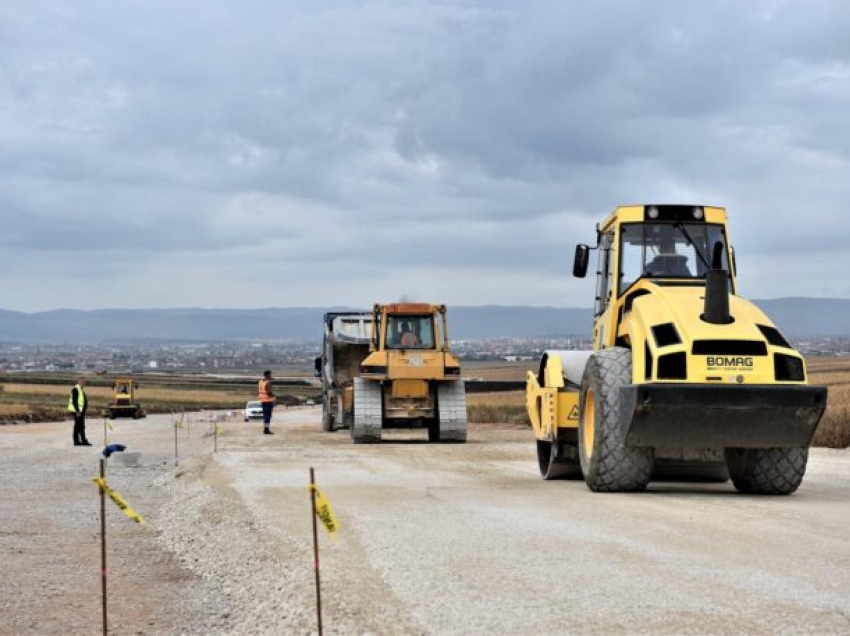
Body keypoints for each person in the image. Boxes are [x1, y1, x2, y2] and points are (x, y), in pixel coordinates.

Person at [67, 377, 91, 446]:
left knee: (81, 426)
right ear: (78, 381)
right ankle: (78, 441)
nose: (83, 383)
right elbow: (74, 401)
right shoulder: (75, 389)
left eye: (84, 382)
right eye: (82, 382)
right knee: (78, 426)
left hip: (80, 411)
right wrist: (77, 411)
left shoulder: (81, 389)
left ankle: (81, 441)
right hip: (77, 411)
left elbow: (82, 401)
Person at [258, 370, 276, 435]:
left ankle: (266, 428)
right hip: (268, 400)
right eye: (270, 375)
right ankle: (266, 429)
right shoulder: (268, 383)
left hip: (262, 400)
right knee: (268, 416)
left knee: (265, 415)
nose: (271, 376)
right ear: (268, 375)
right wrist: (274, 396)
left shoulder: (260, 382)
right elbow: (268, 392)